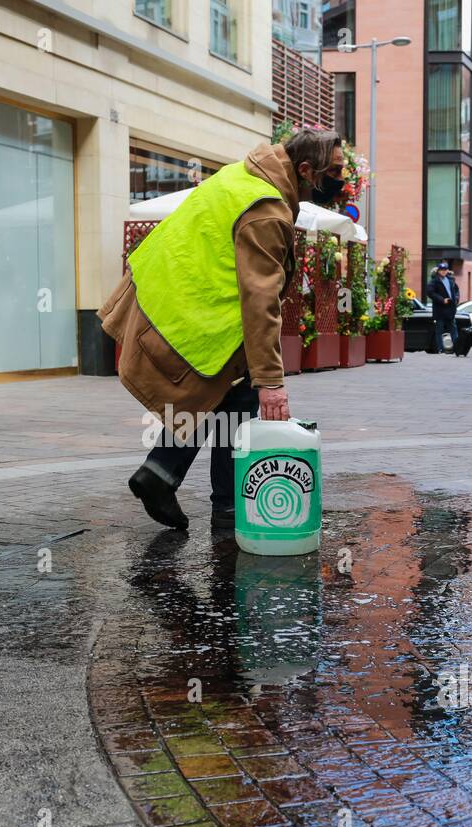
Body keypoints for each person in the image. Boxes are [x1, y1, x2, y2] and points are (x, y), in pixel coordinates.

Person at [102, 128, 343, 530]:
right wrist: (272, 381)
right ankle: (222, 504)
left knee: (223, 398)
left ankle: (165, 473)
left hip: (175, 302)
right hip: (196, 318)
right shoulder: (265, 209)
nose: (341, 181)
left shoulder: (240, 176)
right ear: (305, 169)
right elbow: (260, 298)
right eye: (334, 171)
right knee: (241, 395)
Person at [428, 261, 461, 355]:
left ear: (447, 271)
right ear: (438, 271)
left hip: (450, 309)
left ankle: (457, 348)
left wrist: (456, 299)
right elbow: (430, 293)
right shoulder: (434, 281)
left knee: (453, 330)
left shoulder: (450, 280)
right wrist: (442, 300)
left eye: (445, 270)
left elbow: (456, 291)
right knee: (439, 330)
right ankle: (440, 349)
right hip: (440, 310)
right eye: (441, 270)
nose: (443, 271)